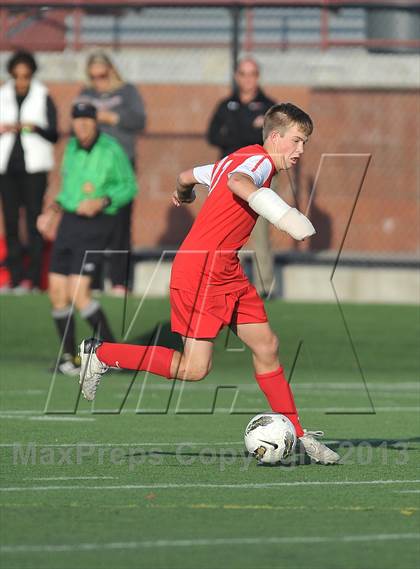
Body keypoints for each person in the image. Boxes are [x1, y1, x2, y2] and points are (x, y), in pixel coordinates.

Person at [79, 102, 340, 465]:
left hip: (226, 269)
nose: (300, 151)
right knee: (194, 369)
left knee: (267, 346)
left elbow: (187, 176)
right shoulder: (259, 163)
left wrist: (184, 194)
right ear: (276, 138)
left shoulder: (236, 158)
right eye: (297, 141)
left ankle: (298, 434)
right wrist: (284, 215)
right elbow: (238, 183)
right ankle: (101, 353)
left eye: (305, 144)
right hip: (201, 271)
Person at [37, 102, 137, 375]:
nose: (81, 125)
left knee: (79, 294)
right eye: (77, 120)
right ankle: (71, 358)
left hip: (97, 222)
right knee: (57, 293)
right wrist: (51, 211)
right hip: (69, 222)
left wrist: (102, 200)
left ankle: (116, 356)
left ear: (95, 122)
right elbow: (66, 188)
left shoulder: (111, 149)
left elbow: (129, 186)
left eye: (87, 120)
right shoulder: (70, 147)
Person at [207, 57, 276, 298]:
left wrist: (237, 133)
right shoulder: (226, 105)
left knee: (260, 232)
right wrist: (248, 133)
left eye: (253, 74)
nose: (248, 79)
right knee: (220, 228)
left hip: (257, 177)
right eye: (244, 74)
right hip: (228, 175)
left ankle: (265, 287)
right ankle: (214, 280)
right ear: (237, 77)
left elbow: (270, 140)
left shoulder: (268, 107)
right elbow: (213, 135)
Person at [78, 51, 146, 295]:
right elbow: (76, 122)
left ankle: (119, 281)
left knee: (119, 224)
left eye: (103, 76)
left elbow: (140, 120)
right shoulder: (86, 94)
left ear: (111, 71)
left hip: (121, 165)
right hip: (94, 167)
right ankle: (92, 281)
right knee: (92, 224)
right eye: (93, 77)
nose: (98, 82)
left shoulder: (127, 92)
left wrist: (111, 117)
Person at [0, 50, 58, 293]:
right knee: (11, 222)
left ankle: (33, 280)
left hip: (34, 168)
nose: (22, 80)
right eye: (17, 76)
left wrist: (33, 127)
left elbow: (53, 134)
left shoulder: (43, 95)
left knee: (34, 221)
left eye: (26, 76)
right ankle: (15, 278)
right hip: (7, 167)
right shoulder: (3, 95)